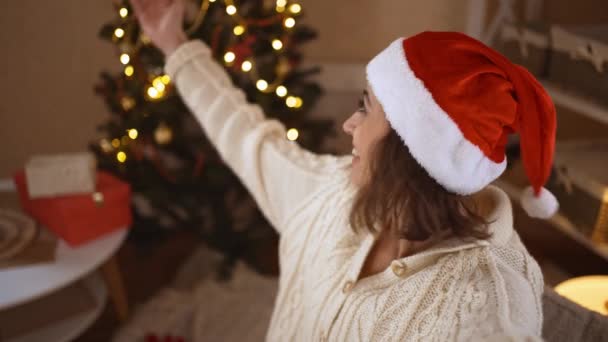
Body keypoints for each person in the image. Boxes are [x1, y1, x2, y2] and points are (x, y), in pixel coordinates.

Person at [131, 0, 559, 340]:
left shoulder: (488, 299)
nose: (348, 125)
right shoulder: (330, 192)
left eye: (365, 109)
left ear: (410, 149)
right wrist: (174, 46)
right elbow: (246, 134)